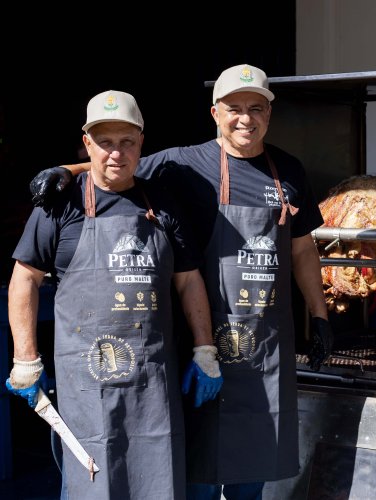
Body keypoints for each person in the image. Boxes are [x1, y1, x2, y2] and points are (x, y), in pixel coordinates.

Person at [30, 65, 334, 499]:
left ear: (269, 113)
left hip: (263, 346)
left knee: (254, 467)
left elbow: (302, 249)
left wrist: (320, 316)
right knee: (198, 473)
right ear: (215, 113)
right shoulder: (182, 163)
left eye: (256, 108)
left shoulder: (288, 171)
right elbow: (118, 162)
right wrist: (65, 170)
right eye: (234, 108)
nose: (245, 118)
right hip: (199, 345)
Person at [5, 90, 223, 499]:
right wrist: (25, 359)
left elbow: (189, 279)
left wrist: (205, 350)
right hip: (86, 382)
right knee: (92, 482)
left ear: (141, 142)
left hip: (152, 381)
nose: (116, 153)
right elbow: (25, 278)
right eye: (105, 142)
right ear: (87, 144)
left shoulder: (162, 201)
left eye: (127, 142)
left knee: (158, 480)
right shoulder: (60, 205)